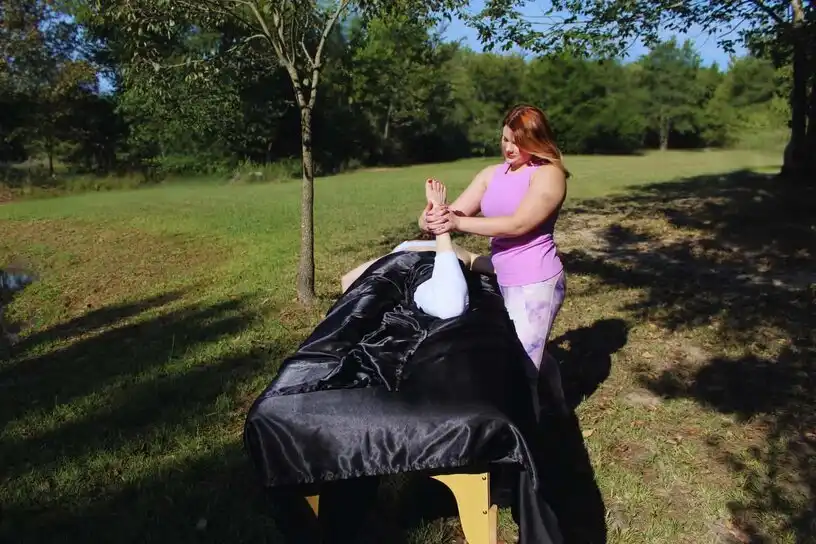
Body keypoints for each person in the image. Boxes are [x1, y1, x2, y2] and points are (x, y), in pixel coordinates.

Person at [420, 104, 568, 386]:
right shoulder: (491, 174)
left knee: (519, 369)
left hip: (536, 282)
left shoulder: (549, 174)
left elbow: (518, 224)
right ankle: (553, 407)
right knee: (515, 355)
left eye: (518, 142)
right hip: (500, 277)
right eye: (505, 139)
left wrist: (456, 223)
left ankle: (531, 426)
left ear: (536, 139)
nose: (509, 148)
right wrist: (432, 215)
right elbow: (455, 212)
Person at [340, 179, 493, 320]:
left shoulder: (402, 250)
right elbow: (495, 266)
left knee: (450, 306)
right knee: (450, 306)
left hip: (411, 266)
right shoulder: (458, 251)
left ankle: (441, 225)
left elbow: (348, 280)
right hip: (418, 268)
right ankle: (441, 227)